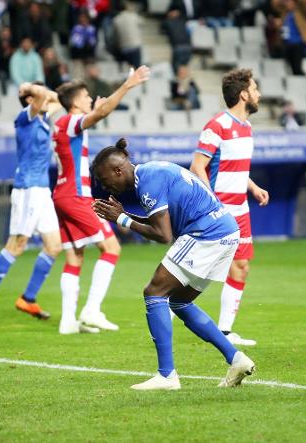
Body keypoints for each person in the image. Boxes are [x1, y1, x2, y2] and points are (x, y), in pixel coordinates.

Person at [90, 139, 255, 390]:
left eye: (104, 180)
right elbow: (163, 221)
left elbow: (163, 235)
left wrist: (122, 220)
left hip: (206, 234)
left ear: (118, 171)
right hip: (225, 231)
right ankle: (236, 359)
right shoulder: (150, 172)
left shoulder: (147, 182)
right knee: (179, 301)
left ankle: (166, 376)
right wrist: (126, 216)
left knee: (154, 291)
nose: (104, 186)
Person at [52, 65, 150, 335]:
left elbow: (98, 113)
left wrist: (96, 110)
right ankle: (92, 309)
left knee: (75, 255)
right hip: (76, 195)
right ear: (74, 103)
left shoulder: (63, 125)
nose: (88, 99)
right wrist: (128, 84)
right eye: (84, 97)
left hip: (61, 195)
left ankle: (68, 321)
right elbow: (102, 113)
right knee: (112, 248)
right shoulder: (70, 122)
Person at [190, 68, 269, 346]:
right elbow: (197, 166)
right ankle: (167, 300)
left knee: (241, 265)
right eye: (255, 88)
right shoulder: (217, 125)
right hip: (219, 209)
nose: (259, 93)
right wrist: (211, 202)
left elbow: (233, 167)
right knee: (201, 265)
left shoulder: (247, 127)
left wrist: (253, 186)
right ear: (244, 94)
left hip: (241, 208)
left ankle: (225, 330)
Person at [0, 82, 63, 322]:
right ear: (32, 101)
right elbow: (46, 95)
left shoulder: (42, 117)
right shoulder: (26, 118)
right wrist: (28, 88)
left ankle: (28, 299)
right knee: (17, 245)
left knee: (54, 246)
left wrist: (38, 93)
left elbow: (58, 99)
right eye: (38, 98)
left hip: (42, 191)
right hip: (28, 189)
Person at [112, 1, 142, 68]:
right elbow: (141, 24)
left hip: (124, 48)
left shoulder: (116, 20)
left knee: (129, 70)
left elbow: (115, 38)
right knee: (137, 69)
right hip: (135, 47)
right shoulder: (133, 15)